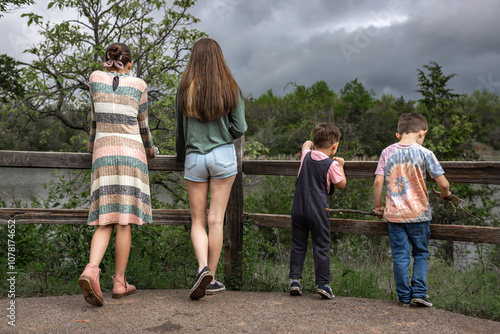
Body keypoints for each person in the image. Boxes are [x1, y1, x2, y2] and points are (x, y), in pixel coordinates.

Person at [78, 43, 157, 307]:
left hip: (103, 155)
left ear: (107, 61)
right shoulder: (139, 85)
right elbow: (143, 127)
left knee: (105, 219)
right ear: (130, 64)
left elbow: (94, 121)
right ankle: (119, 282)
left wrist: (93, 148)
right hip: (133, 155)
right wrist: (151, 150)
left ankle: (91, 269)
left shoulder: (94, 79)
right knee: (124, 221)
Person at [175, 38, 247, 300]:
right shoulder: (230, 87)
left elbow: (181, 132)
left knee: (197, 220)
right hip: (223, 156)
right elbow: (240, 128)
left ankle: (202, 268)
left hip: (194, 156)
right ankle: (212, 278)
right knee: (216, 220)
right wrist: (223, 131)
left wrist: (179, 155)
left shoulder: (184, 88)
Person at [373, 112, 451, 308]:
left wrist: (378, 206)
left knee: (400, 256)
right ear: (422, 133)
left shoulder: (386, 152)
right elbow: (443, 184)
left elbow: (378, 181)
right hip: (419, 215)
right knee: (421, 254)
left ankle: (403, 296)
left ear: (398, 135)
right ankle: (419, 294)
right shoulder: (426, 154)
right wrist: (445, 194)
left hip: (395, 217)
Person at [289, 123, 346, 299]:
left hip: (298, 208)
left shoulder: (306, 156)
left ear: (315, 142)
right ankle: (323, 284)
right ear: (335, 147)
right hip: (318, 211)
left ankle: (295, 281)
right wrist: (342, 166)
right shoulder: (332, 165)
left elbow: (305, 145)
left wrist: (309, 143)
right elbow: (341, 185)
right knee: (321, 246)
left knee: (298, 245)